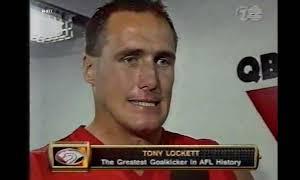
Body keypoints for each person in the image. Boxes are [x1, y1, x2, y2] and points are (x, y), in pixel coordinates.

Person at [30, 0, 254, 179]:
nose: (151, 80)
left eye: (162, 61)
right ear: (90, 69)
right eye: (130, 59)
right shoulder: (40, 168)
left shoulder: (220, 165)